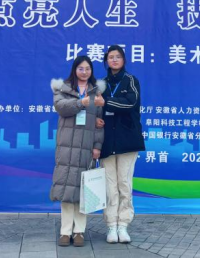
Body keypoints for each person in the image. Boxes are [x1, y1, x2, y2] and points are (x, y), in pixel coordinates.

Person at [50, 56, 105, 247]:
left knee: (83, 190)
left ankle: (79, 231)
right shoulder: (63, 88)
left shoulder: (97, 92)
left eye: (87, 68)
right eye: (81, 68)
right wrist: (82, 103)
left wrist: (97, 146)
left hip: (86, 147)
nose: (84, 72)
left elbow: (100, 124)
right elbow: (61, 108)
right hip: (66, 146)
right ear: (74, 70)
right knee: (66, 190)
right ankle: (65, 232)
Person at [99, 45, 145, 244]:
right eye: (111, 57)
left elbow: (131, 103)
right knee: (110, 186)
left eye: (118, 57)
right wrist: (96, 118)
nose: (114, 60)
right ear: (106, 61)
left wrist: (106, 102)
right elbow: (95, 107)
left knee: (124, 184)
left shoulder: (131, 80)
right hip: (106, 141)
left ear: (124, 60)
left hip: (128, 140)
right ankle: (111, 225)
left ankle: (123, 225)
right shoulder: (101, 83)